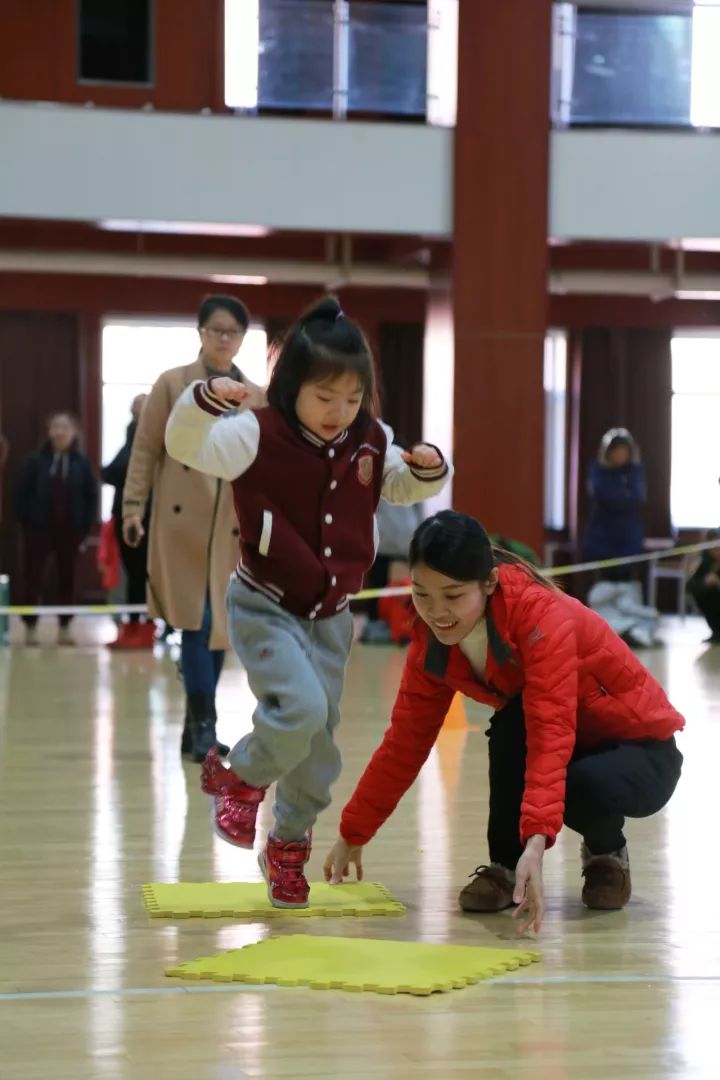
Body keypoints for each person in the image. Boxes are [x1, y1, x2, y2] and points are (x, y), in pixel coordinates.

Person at [165, 296, 452, 909]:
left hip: (332, 616)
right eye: (325, 398)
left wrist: (430, 469)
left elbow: (398, 482)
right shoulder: (253, 434)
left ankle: (287, 845)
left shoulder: (370, 439)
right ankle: (237, 777)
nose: (339, 413)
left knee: (319, 743)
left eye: (352, 399)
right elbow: (186, 445)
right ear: (291, 385)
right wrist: (204, 403)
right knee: (298, 708)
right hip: (265, 603)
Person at [323, 511, 684, 933]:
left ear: (489, 583)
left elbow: (551, 732)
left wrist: (537, 843)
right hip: (568, 745)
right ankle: (504, 868)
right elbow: (404, 741)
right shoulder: (431, 644)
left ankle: (608, 855)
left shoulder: (540, 617)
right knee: (511, 722)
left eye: (453, 596)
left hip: (639, 750)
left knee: (568, 770)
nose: (437, 613)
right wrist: (353, 832)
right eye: (423, 595)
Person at [122, 295, 265, 761]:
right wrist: (132, 508)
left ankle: (195, 730)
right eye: (215, 330)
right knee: (196, 622)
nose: (224, 339)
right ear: (200, 333)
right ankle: (205, 725)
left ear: (242, 339)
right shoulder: (173, 383)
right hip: (181, 521)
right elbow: (145, 451)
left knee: (218, 626)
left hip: (231, 525)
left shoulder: (256, 396)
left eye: (233, 332)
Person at [14, 412, 98, 646]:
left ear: (74, 433)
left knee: (67, 579)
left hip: (70, 532)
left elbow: (91, 498)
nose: (60, 432)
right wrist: (28, 522)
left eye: (66, 428)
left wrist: (83, 527)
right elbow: (21, 494)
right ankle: (30, 626)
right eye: (56, 427)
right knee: (33, 578)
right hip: (38, 531)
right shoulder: (35, 461)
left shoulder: (81, 464)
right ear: (49, 431)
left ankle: (65, 626)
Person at [583, 428, 659, 647]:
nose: (620, 455)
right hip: (603, 538)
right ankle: (607, 629)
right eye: (616, 451)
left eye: (624, 451)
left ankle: (633, 628)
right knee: (604, 586)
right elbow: (603, 494)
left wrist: (621, 497)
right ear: (608, 452)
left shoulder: (635, 471)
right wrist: (620, 496)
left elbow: (636, 497)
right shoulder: (598, 470)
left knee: (627, 584)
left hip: (628, 538)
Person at [101, 394, 155, 649]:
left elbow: (130, 471)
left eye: (143, 406)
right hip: (126, 514)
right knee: (132, 575)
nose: (138, 410)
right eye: (135, 406)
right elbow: (112, 472)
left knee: (145, 575)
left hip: (151, 515)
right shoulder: (131, 434)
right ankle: (132, 627)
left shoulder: (156, 437)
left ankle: (145, 628)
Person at [686, 528, 720, 644]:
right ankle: (717, 632)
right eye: (713, 548)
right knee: (702, 592)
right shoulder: (706, 560)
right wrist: (705, 582)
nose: (717, 552)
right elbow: (689, 584)